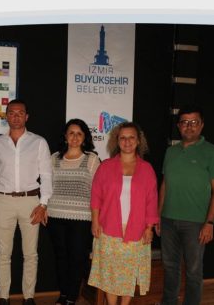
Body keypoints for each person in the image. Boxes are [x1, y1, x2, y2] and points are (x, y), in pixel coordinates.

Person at [158, 105, 214, 305]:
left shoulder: (213, 152)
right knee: (170, 267)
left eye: (194, 122)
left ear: (202, 125)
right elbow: (165, 185)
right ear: (179, 126)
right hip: (168, 221)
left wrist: (209, 223)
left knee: (194, 272)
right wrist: (158, 216)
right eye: (185, 122)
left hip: (196, 223)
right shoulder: (171, 152)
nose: (189, 126)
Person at [0, 99, 52, 305]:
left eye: (20, 113)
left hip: (31, 202)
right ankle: (3, 297)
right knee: (3, 254)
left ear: (27, 116)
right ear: (6, 116)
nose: (16, 117)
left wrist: (43, 204)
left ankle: (29, 297)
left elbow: (46, 175)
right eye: (12, 113)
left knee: (31, 254)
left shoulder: (39, 142)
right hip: (2, 201)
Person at [88, 122, 159, 305]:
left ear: (138, 140)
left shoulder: (147, 169)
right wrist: (95, 221)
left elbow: (152, 201)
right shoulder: (105, 167)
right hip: (108, 229)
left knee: (129, 272)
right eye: (123, 138)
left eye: (131, 137)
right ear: (117, 141)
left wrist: (149, 228)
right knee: (110, 273)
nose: (127, 141)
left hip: (136, 230)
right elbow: (96, 196)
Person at [47, 119, 100, 305]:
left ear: (85, 137)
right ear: (65, 136)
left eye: (79, 133)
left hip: (82, 218)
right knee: (61, 257)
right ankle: (63, 294)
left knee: (77, 258)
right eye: (71, 133)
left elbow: (98, 191)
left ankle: (72, 296)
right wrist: (44, 207)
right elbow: (47, 186)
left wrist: (96, 217)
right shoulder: (54, 158)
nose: (75, 137)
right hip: (55, 216)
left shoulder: (91, 159)